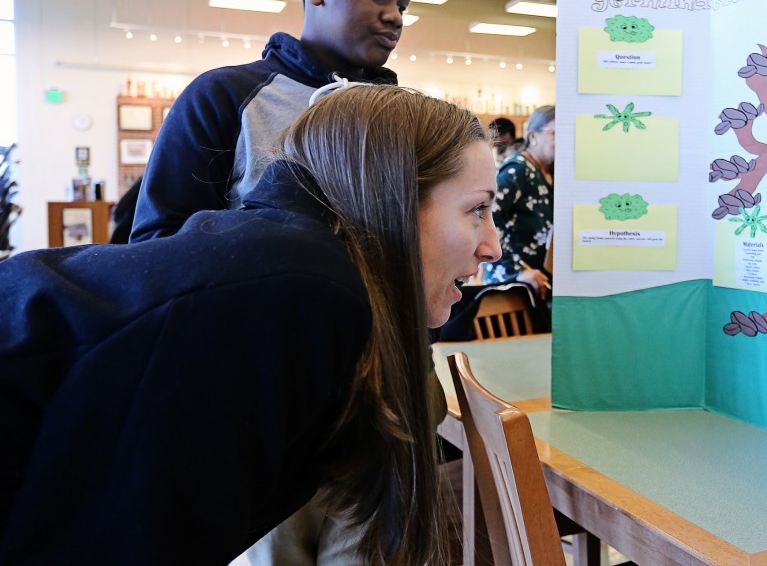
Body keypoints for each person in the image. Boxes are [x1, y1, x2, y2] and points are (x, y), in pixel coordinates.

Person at [0, 85, 501, 565]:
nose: (492, 246)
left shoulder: (297, 270)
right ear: (393, 198)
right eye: (477, 209)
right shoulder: (302, 294)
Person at [130, 0, 413, 243]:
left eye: (402, 6)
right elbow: (156, 246)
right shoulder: (223, 96)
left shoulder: (404, 118)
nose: (395, 16)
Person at [482, 105, 555, 301]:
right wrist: (515, 270)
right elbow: (486, 217)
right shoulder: (518, 169)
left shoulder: (551, 172)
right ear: (533, 137)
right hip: (514, 284)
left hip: (539, 283)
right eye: (555, 133)